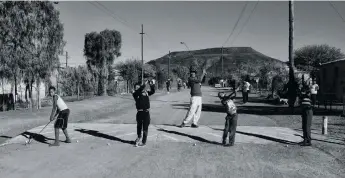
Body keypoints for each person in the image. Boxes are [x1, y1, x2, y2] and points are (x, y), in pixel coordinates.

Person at [132, 80, 155, 147]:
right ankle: (139, 137)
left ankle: (143, 142)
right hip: (139, 112)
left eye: (137, 87)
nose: (137, 88)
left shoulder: (146, 92)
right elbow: (139, 90)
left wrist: (151, 85)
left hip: (146, 113)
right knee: (139, 126)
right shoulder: (135, 93)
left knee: (145, 128)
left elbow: (153, 91)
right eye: (136, 87)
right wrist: (144, 84)